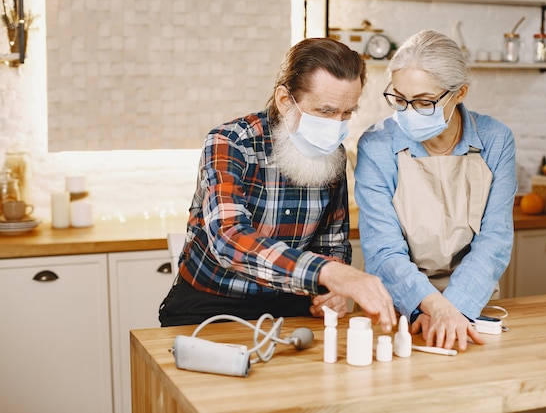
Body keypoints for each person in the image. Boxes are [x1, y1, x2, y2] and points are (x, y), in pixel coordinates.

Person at [159, 38, 396, 333]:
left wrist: (331, 292)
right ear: (285, 100)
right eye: (325, 111)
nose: (337, 125)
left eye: (346, 113)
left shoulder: (332, 153)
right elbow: (228, 238)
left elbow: (331, 241)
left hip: (292, 302)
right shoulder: (230, 141)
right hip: (211, 303)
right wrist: (328, 273)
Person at [354, 30, 517, 351]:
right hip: (398, 301)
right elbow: (382, 249)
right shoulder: (377, 145)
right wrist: (427, 306)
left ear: (460, 93)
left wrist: (452, 309)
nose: (408, 112)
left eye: (424, 102)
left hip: (472, 299)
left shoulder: (496, 140)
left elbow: (494, 240)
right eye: (399, 99)